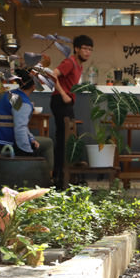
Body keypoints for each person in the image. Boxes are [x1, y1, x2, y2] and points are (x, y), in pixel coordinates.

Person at [50, 34, 94, 188]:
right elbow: (52, 74)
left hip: (66, 103)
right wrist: (63, 94)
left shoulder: (78, 65)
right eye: (85, 48)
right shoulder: (70, 62)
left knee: (67, 139)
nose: (88, 52)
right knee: (64, 140)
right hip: (60, 102)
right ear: (76, 49)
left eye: (90, 49)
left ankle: (64, 177)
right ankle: (59, 179)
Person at [0, 73, 54, 173]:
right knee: (48, 143)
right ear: (34, 86)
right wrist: (27, 152)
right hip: (8, 143)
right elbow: (20, 128)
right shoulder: (23, 103)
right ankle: (46, 178)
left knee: (35, 140)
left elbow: (20, 123)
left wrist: (31, 138)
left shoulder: (11, 94)